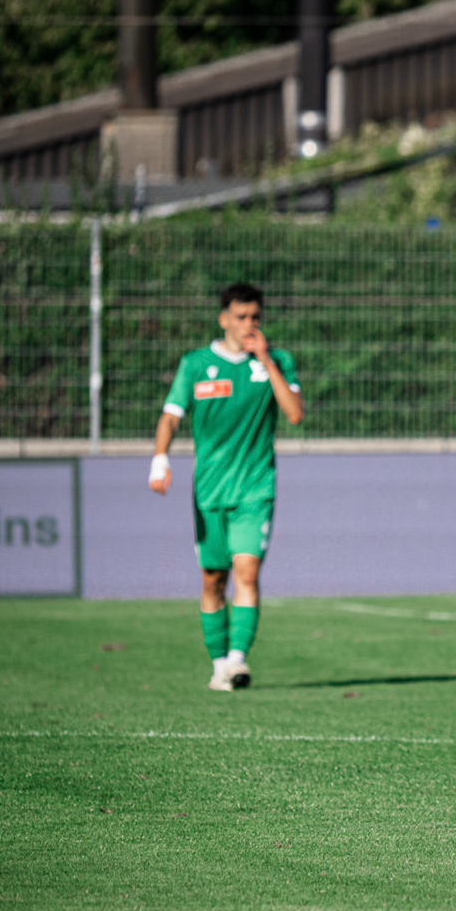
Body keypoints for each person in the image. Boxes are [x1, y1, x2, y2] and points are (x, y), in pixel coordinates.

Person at [148, 282, 304, 691]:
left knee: (246, 572)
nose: (249, 324)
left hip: (255, 488)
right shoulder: (196, 365)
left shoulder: (278, 361)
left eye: (255, 317)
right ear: (224, 320)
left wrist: (266, 360)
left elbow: (294, 414)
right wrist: (160, 460)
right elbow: (170, 416)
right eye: (241, 317)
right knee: (213, 579)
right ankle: (219, 664)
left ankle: (237, 661)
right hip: (209, 492)